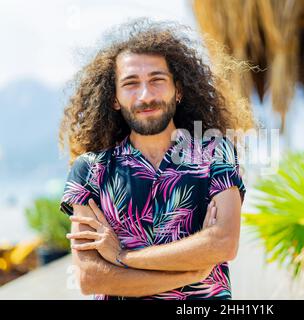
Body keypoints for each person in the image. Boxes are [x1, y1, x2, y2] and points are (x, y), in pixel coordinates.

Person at [58, 19, 253, 300]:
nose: (146, 95)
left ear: (179, 90)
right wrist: (193, 271)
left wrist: (122, 256)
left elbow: (223, 244)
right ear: (114, 98)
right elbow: (91, 277)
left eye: (157, 80)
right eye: (131, 84)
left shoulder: (214, 153)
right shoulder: (90, 171)